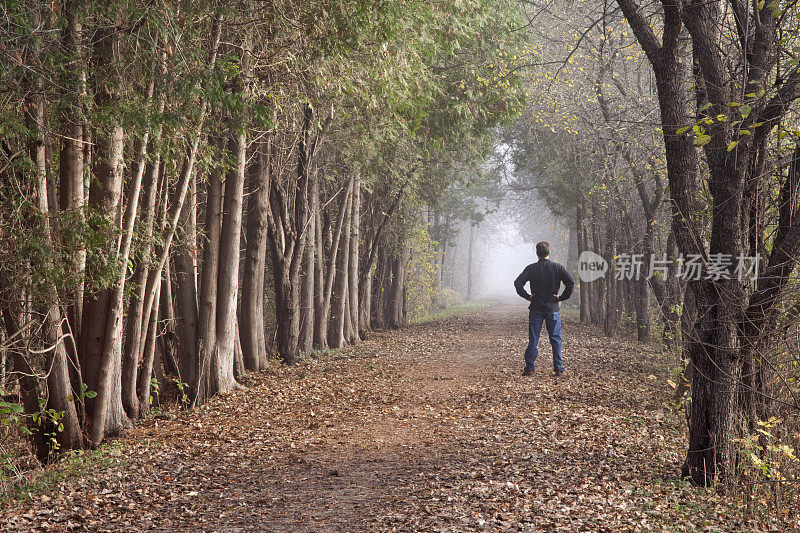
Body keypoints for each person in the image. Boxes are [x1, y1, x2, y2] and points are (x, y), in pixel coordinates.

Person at [513, 241, 575, 376]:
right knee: (556, 338)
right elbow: (570, 283)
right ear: (549, 253)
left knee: (534, 338)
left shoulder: (531, 268)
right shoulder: (558, 267)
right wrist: (561, 297)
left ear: (537, 253)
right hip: (552, 308)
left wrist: (528, 297)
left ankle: (529, 368)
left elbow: (518, 283)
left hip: (536, 307)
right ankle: (558, 369)